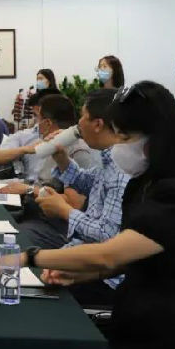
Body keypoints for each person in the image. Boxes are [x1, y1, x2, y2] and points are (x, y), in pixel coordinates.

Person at [0, 81, 175, 349]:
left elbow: (109, 252)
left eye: (124, 137)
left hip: (174, 341)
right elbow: (131, 259)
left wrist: (27, 258)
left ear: (156, 139)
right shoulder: (147, 182)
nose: (118, 146)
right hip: (140, 324)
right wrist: (85, 273)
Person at [24, 89, 130, 306]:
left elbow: (107, 237)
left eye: (83, 116)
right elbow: (85, 180)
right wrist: (61, 158)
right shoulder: (110, 160)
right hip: (84, 259)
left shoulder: (122, 169)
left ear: (98, 124)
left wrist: (64, 211)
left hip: (102, 279)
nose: (78, 123)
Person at [0, 93, 98, 184]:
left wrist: (28, 189)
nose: (36, 123)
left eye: (37, 118)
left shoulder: (78, 150)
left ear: (47, 123)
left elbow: (74, 194)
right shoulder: (51, 141)